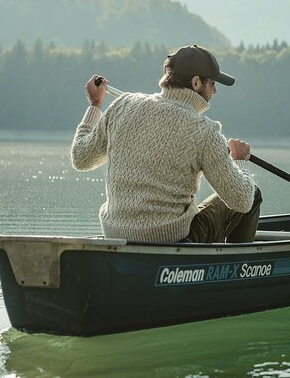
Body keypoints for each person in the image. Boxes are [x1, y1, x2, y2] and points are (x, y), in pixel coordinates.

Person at [71, 44, 261, 244]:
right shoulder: (204, 131)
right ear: (196, 82)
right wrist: (239, 162)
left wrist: (95, 105)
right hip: (172, 238)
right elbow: (242, 201)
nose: (215, 90)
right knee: (252, 192)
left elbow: (81, 158)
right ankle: (236, 269)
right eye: (212, 83)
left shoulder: (122, 105)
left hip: (116, 234)